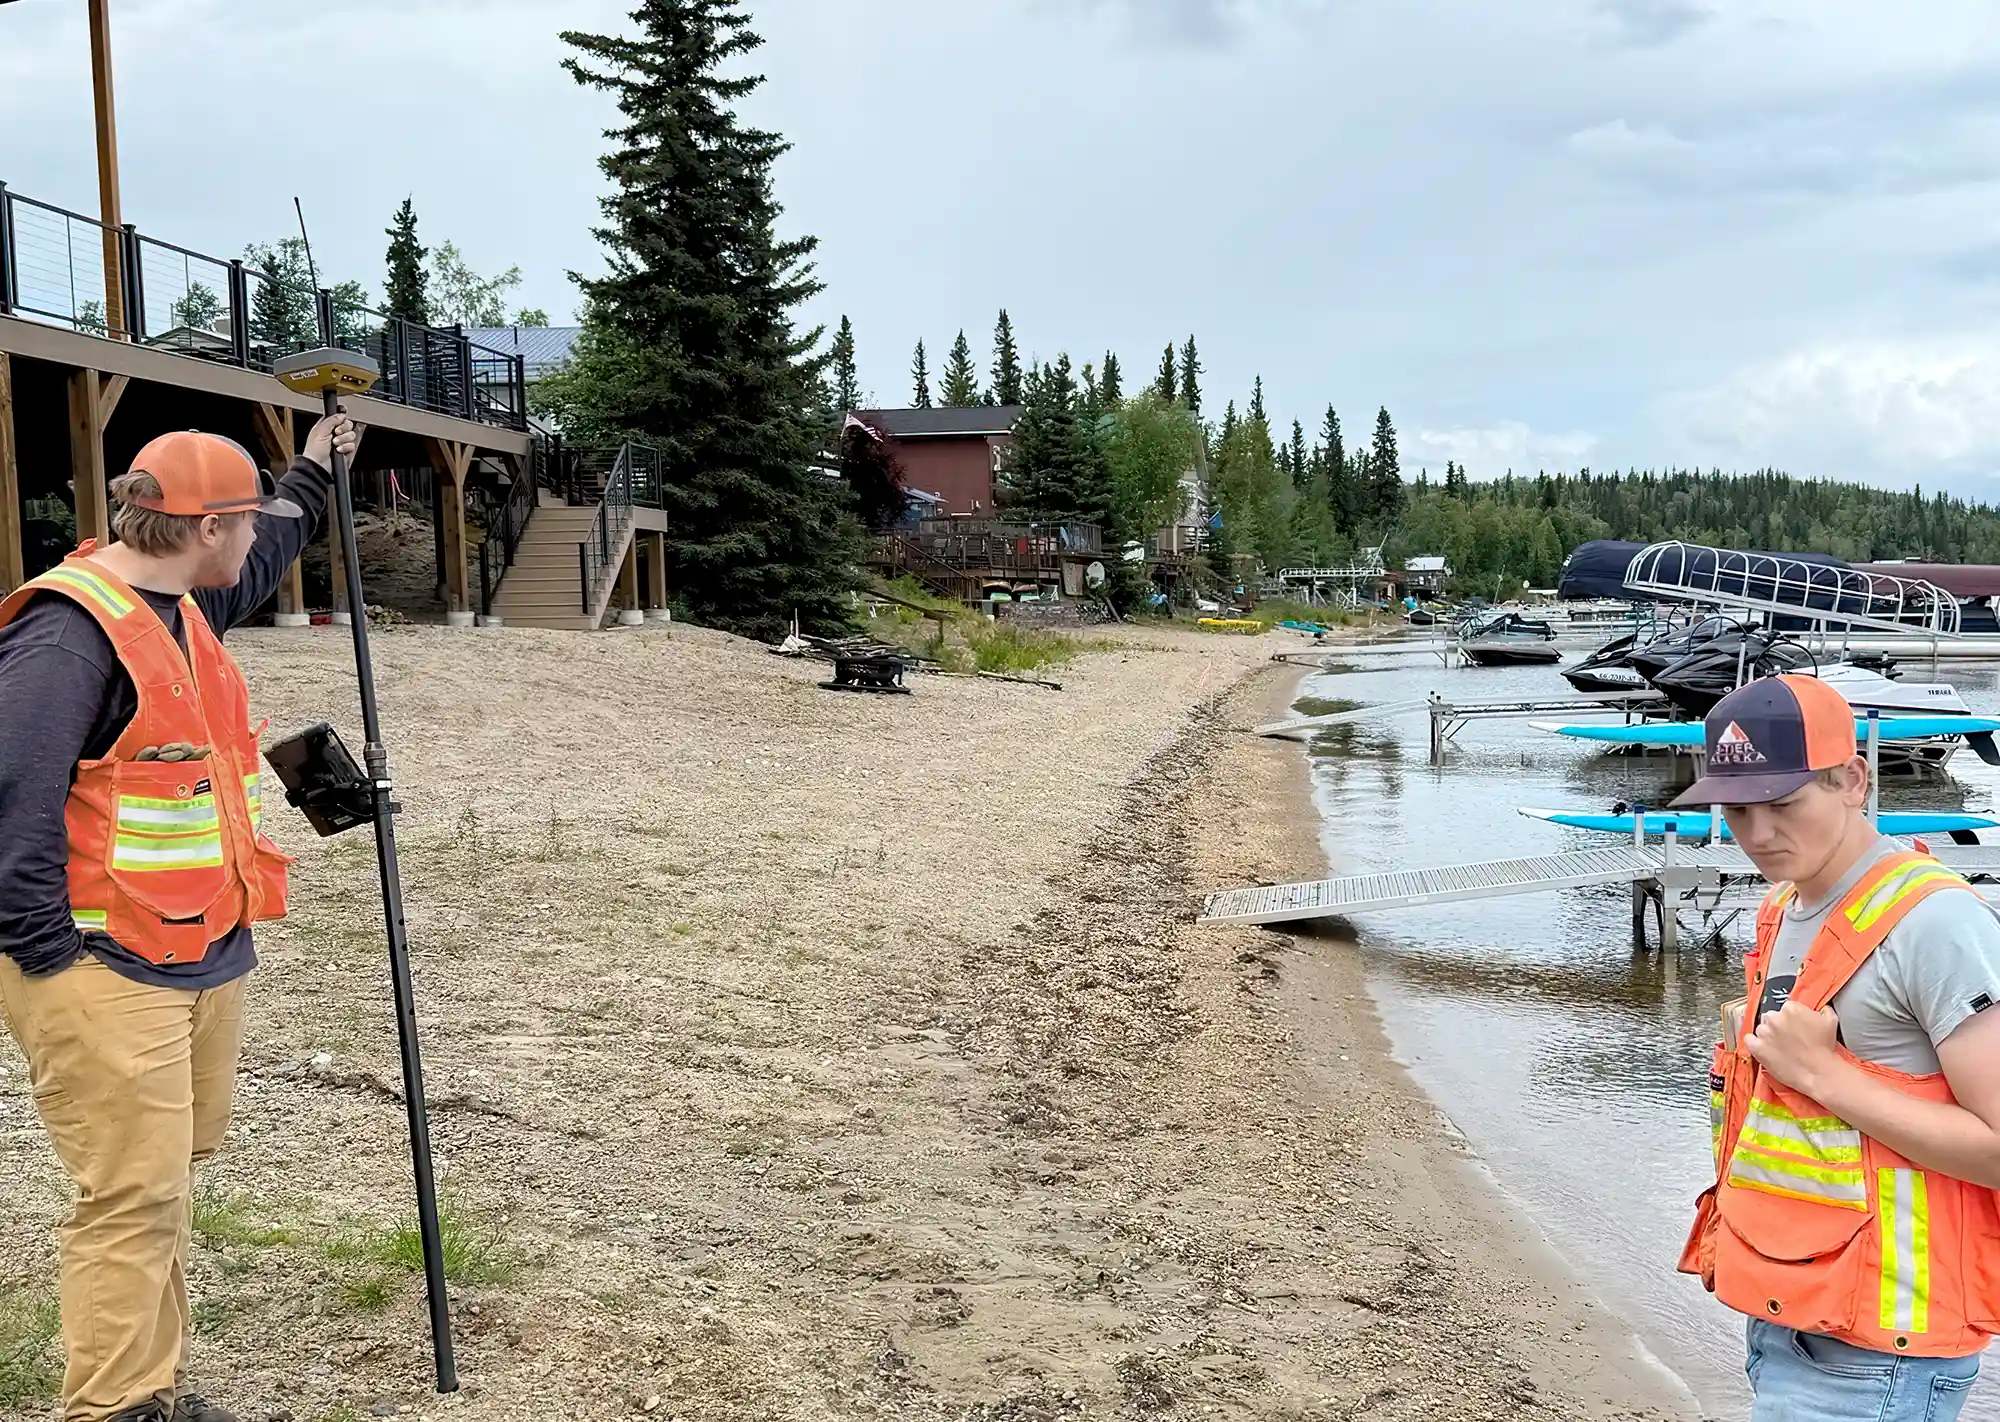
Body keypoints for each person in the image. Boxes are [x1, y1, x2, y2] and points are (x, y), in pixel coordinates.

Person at [0, 412, 358, 1422]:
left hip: (196, 950)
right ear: (205, 529)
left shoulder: (183, 599)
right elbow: (10, 799)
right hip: (99, 967)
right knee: (130, 1196)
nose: (257, 543)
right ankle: (114, 1409)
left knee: (161, 1183)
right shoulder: (67, 637)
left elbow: (278, 534)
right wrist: (51, 960)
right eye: (242, 525)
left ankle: (146, 1389)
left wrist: (316, 470)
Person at [1674, 674, 2000, 1421]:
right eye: (1735, 810)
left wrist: (1822, 1074)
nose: (1756, 835)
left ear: (1854, 780)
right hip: (1793, 1316)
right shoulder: (1785, 905)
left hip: (1883, 1350)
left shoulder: (1937, 924)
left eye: (1784, 805)